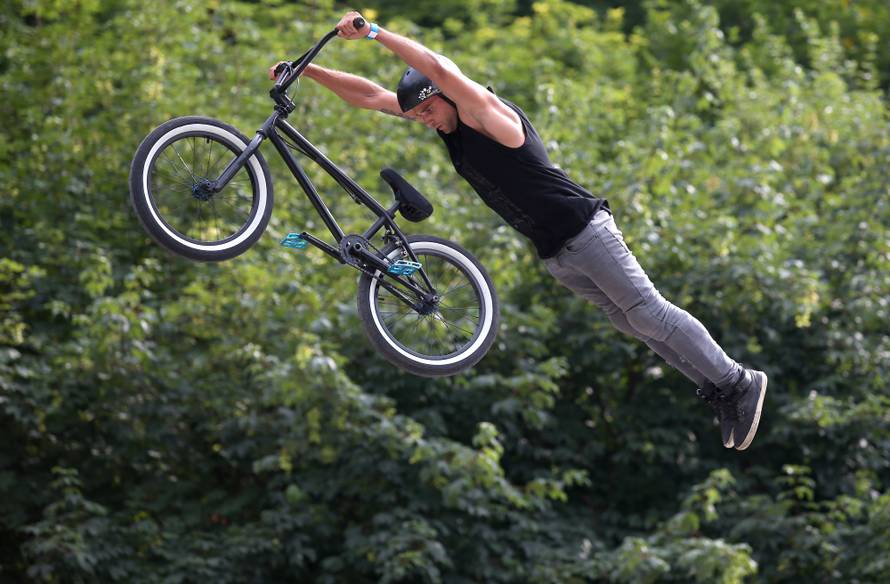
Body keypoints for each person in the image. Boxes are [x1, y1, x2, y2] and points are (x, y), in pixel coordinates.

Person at [270, 11, 768, 450]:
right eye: (417, 115)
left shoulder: (489, 115)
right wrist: (307, 70)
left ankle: (738, 379)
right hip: (556, 250)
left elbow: (441, 68)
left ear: (446, 97)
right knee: (631, 322)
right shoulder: (445, 120)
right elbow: (373, 96)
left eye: (426, 109)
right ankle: (719, 391)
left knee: (648, 311)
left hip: (585, 229)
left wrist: (375, 32)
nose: (422, 121)